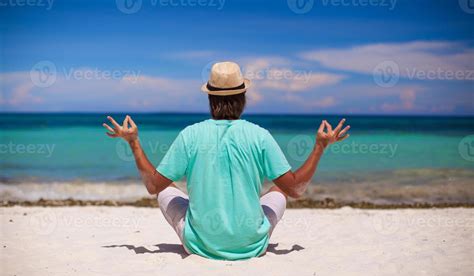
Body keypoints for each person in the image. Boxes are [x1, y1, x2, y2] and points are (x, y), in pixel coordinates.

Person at [102, 61, 350, 260]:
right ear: (243, 97)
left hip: (200, 246)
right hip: (253, 246)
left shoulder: (191, 134)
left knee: (167, 187)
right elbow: (296, 188)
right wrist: (320, 146)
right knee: (278, 189)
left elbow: (153, 186)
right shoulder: (259, 135)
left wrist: (134, 142)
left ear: (210, 99)